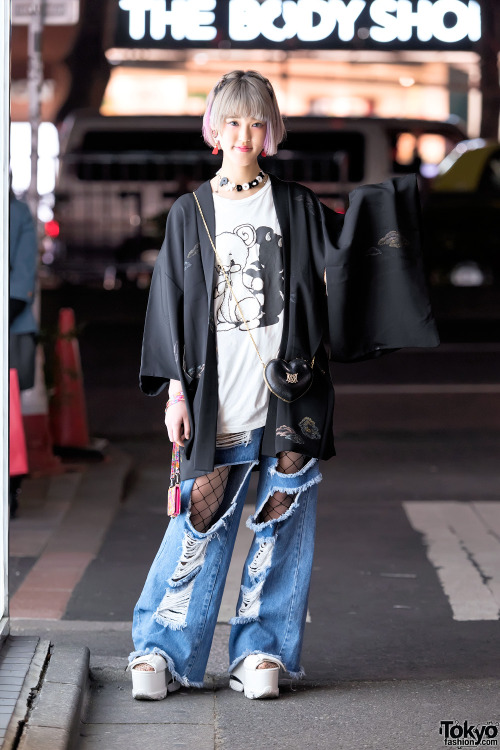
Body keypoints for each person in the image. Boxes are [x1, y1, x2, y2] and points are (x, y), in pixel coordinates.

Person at [127, 70, 439, 701]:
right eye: (232, 121)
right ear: (215, 129)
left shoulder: (296, 205)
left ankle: (260, 649)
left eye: (255, 122)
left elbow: (349, 260)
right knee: (199, 521)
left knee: (281, 520)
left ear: (269, 132)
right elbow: (167, 304)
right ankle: (159, 648)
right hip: (217, 398)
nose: (243, 134)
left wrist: (391, 211)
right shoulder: (189, 214)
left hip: (292, 396)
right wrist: (176, 395)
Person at [9, 190, 38, 517]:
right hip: (13, 320)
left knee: (10, 417)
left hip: (11, 328)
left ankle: (11, 489)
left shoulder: (16, 213)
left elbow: (21, 282)